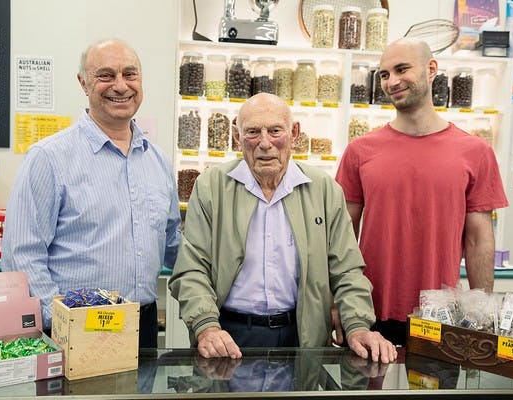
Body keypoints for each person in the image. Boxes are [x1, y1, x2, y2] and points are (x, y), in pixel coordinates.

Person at [169, 93, 397, 363]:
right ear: (236, 137)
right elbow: (192, 269)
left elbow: (347, 270)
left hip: (302, 335)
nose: (265, 143)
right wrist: (206, 326)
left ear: (294, 133)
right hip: (229, 336)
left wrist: (358, 326)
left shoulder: (324, 190)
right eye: (252, 132)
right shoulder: (211, 186)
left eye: (275, 131)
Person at [1, 39, 181, 348]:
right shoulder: (49, 158)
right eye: (106, 75)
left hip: (144, 326)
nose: (121, 86)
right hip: (79, 328)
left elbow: (173, 243)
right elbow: (21, 254)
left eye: (130, 74)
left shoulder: (158, 161)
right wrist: (61, 323)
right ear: (83, 83)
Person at [335, 38, 508, 345]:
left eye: (402, 69)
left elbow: (479, 237)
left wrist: (482, 314)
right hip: (368, 315)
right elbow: (342, 235)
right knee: (366, 393)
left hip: (442, 318)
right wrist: (338, 304)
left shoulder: (476, 152)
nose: (392, 81)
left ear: (431, 70)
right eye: (385, 74)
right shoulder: (359, 151)